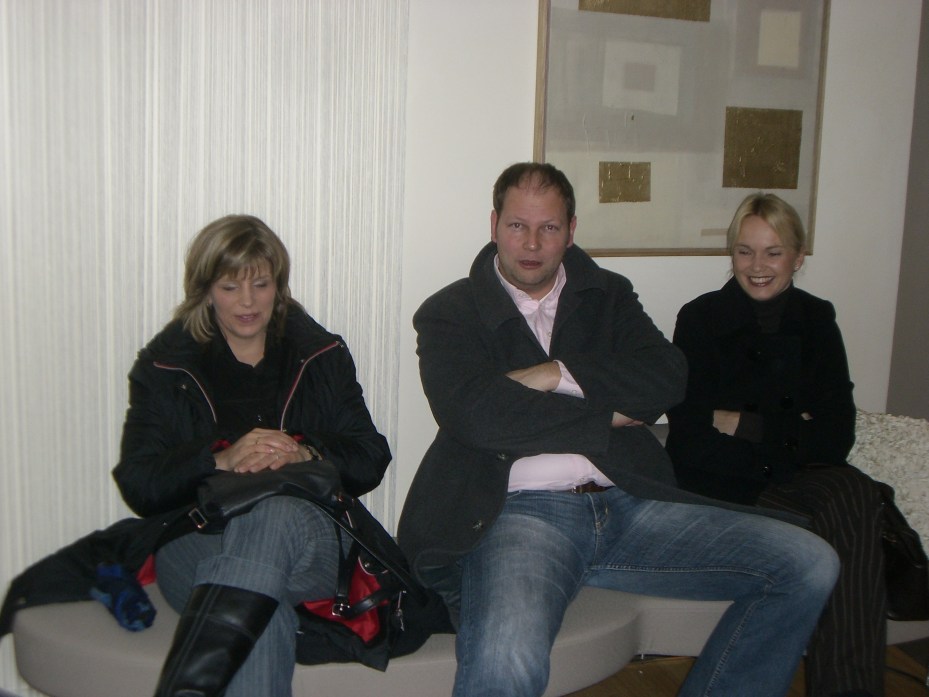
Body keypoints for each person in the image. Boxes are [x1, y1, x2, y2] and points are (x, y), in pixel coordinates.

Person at [398, 162, 841, 697]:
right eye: (517, 226)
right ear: (494, 225)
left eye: (549, 227)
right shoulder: (450, 312)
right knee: (505, 655)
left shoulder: (606, 294)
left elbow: (666, 378)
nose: (532, 243)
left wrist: (555, 374)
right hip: (524, 517)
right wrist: (605, 414)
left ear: (571, 230)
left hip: (632, 501)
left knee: (810, 564)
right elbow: (474, 414)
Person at [112, 214, 391, 696]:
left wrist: (304, 452)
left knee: (273, 515)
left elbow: (370, 456)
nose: (247, 301)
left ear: (278, 287)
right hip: (199, 538)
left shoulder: (319, 354)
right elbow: (139, 483)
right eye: (229, 287)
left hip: (308, 537)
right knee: (262, 613)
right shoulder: (166, 366)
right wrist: (217, 459)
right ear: (205, 290)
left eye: (261, 285)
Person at [665, 192, 886, 697]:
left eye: (773, 252)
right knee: (848, 503)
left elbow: (837, 435)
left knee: (855, 492)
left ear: (798, 257)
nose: (757, 266)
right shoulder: (700, 318)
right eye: (744, 251)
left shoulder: (817, 319)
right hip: (723, 485)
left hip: (794, 477)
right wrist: (791, 430)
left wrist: (745, 423)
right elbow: (691, 437)